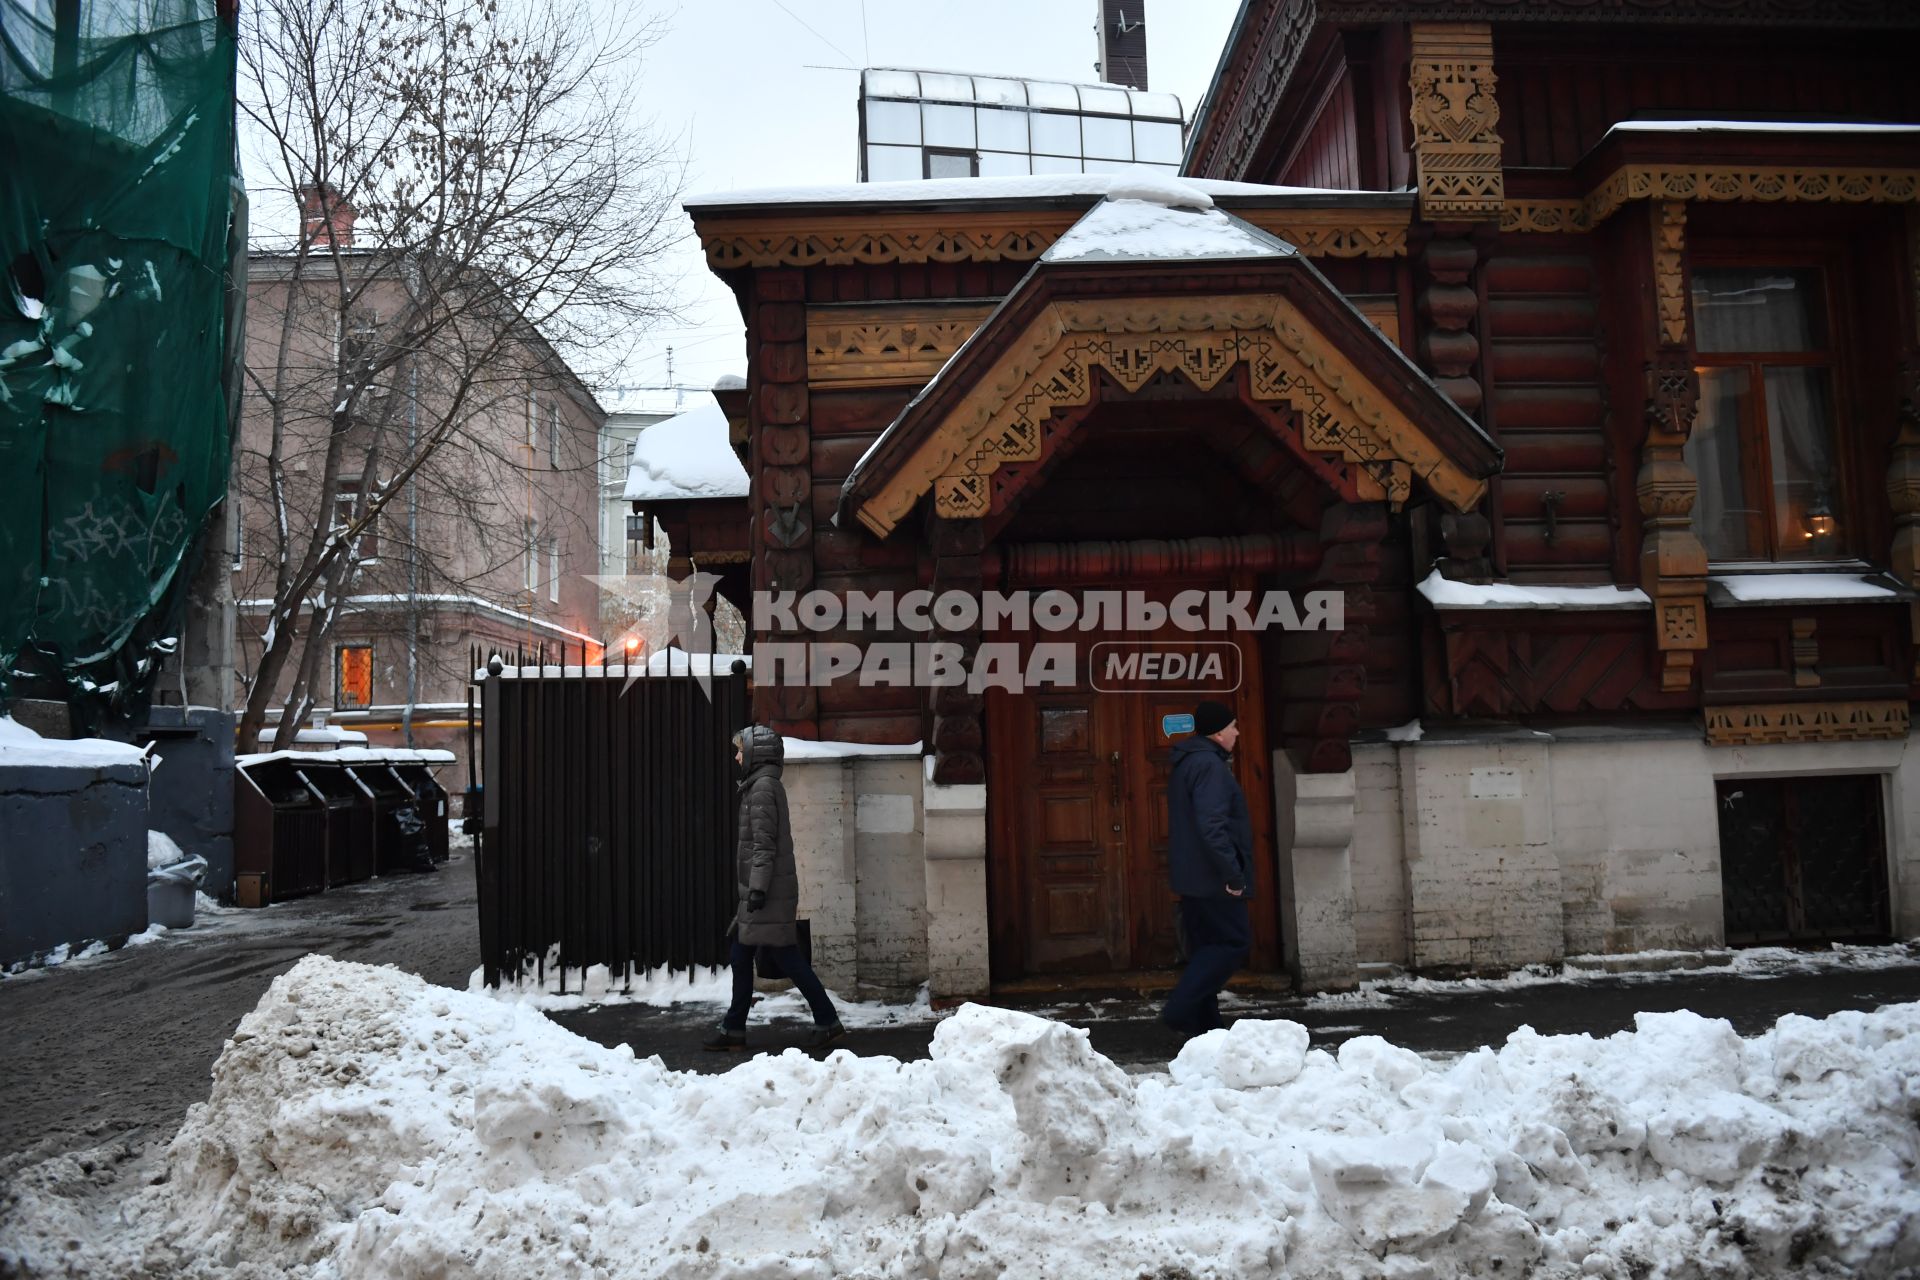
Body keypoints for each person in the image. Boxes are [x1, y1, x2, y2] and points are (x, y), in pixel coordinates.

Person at [703, 724, 847, 1052]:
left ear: (757, 753)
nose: (737, 756)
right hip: (766, 889)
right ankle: (735, 1028)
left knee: (784, 958)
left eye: (741, 750)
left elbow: (764, 845)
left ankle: (826, 1022)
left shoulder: (763, 788)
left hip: (766, 892)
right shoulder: (760, 785)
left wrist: (757, 890)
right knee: (746, 956)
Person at [1160, 699, 1254, 1038]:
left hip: (1193, 875)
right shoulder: (1209, 767)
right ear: (1218, 733)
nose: (1237, 733)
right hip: (1213, 876)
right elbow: (1212, 824)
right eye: (1232, 727)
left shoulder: (1189, 763)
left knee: (1206, 947)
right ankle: (1181, 1008)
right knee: (1232, 942)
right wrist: (1232, 873)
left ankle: (1206, 1029)